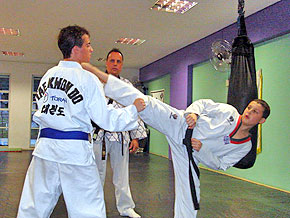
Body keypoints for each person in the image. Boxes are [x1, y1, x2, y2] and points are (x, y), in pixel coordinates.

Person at [80, 63, 270, 218]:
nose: (249, 112)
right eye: (249, 107)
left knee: (189, 195)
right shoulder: (229, 112)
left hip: (190, 154)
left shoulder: (245, 147)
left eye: (255, 112)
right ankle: (98, 75)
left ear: (261, 121)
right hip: (180, 125)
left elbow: (221, 165)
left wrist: (202, 150)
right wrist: (194, 113)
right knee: (145, 102)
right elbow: (203, 104)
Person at [17, 25, 145, 218]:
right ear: (76, 48)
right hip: (74, 152)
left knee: (33, 207)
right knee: (88, 209)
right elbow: (106, 119)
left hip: (45, 150)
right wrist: (134, 110)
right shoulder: (87, 79)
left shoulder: (47, 76)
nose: (91, 49)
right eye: (88, 45)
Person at [92, 48, 147, 218]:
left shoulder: (127, 86)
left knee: (122, 174)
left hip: (121, 135)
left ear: (122, 64)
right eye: (112, 61)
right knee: (96, 174)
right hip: (99, 136)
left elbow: (135, 110)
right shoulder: (95, 83)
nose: (115, 64)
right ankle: (94, 208)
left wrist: (135, 137)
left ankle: (126, 207)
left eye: (118, 61)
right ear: (106, 63)